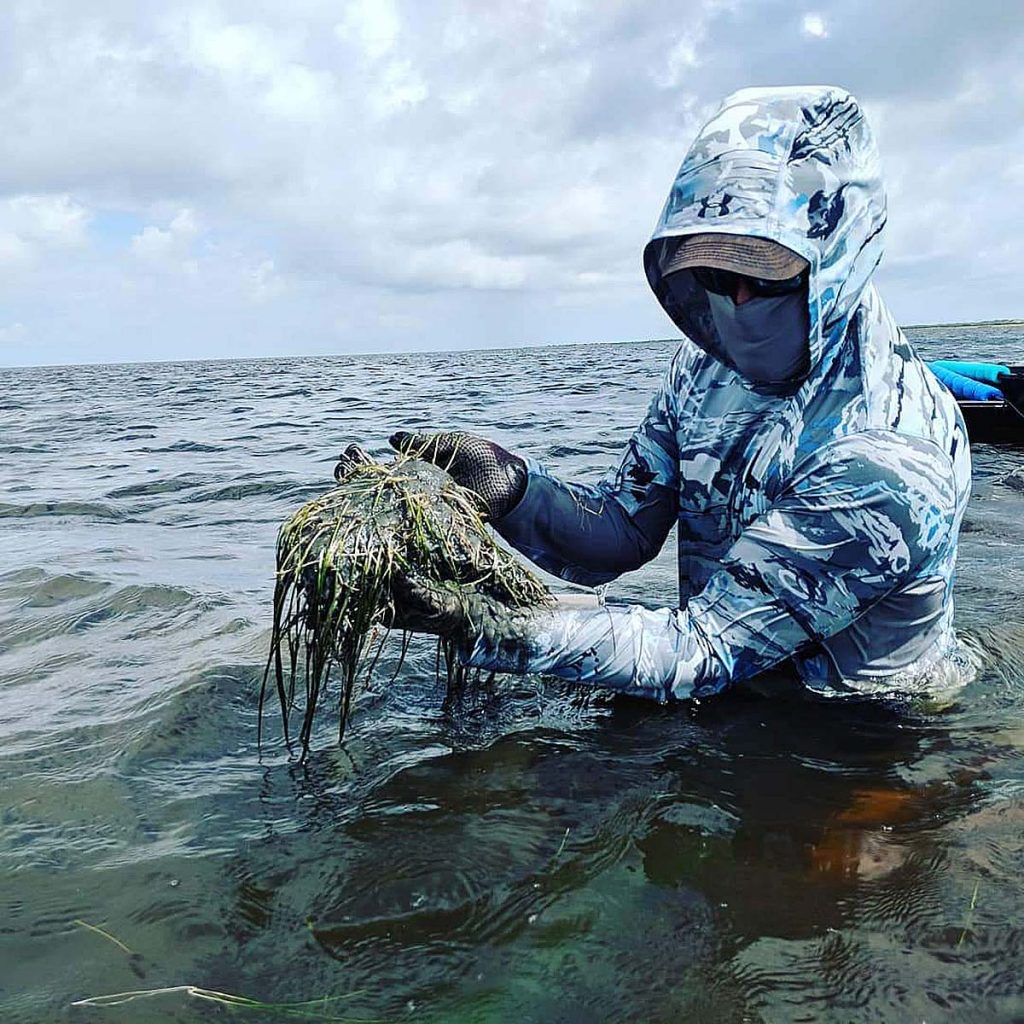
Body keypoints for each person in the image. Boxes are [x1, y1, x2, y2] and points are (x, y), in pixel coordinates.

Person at [372, 85, 975, 702]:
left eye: (759, 273)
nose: (734, 304)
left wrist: (488, 622)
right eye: (713, 274)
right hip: (730, 695)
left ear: (837, 260)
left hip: (866, 739)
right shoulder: (704, 366)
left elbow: (706, 647)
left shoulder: (888, 457)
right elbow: (624, 526)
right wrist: (515, 493)